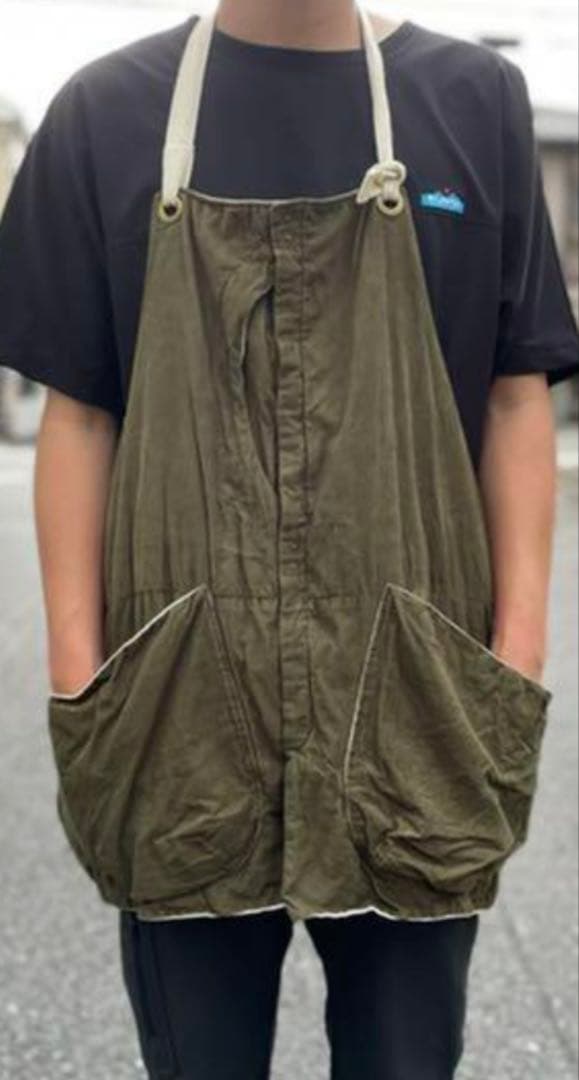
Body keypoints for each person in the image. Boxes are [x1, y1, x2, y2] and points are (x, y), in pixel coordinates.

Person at [0, 1, 578, 1077]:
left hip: (417, 705)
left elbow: (514, 392)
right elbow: (78, 416)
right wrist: (86, 686)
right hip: (174, 712)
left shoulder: (476, 103)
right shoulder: (101, 115)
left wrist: (514, 662)